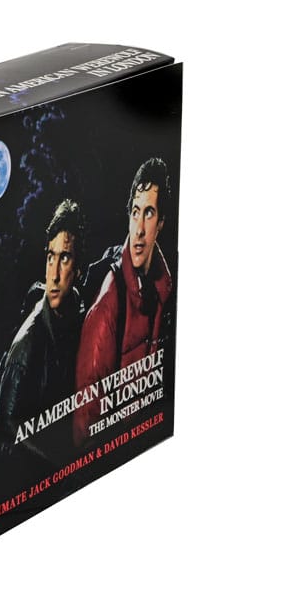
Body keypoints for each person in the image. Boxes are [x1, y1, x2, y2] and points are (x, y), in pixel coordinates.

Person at [0, 199, 87, 494]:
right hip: (14, 483)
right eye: (50, 257)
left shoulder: (78, 316)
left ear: (79, 269)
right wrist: (64, 464)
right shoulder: (27, 345)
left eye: (64, 258)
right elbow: (3, 433)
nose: (54, 273)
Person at [73, 159, 174, 446]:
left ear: (161, 222)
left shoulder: (163, 290)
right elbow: (85, 427)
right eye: (135, 212)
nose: (139, 228)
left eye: (149, 213)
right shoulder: (109, 302)